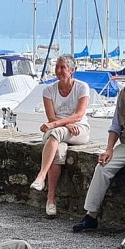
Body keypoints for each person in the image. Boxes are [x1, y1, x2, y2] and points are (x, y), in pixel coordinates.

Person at [73, 67, 125, 236]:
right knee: (103, 167)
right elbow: (115, 126)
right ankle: (90, 215)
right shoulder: (123, 96)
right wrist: (109, 149)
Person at [30, 54, 90, 217]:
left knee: (55, 132)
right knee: (57, 150)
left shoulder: (82, 87)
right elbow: (51, 116)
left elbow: (79, 115)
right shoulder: (48, 90)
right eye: (57, 67)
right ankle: (51, 200)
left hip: (78, 129)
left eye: (62, 67)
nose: (58, 70)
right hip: (61, 129)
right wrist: (65, 124)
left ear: (72, 70)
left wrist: (58, 125)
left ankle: (41, 176)